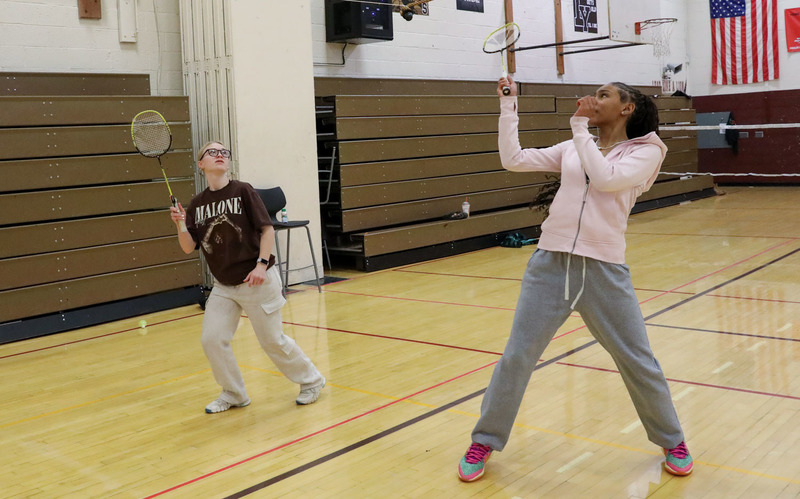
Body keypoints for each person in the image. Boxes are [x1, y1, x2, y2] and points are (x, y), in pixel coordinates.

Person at [457, 79, 693, 481]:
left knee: (637, 359)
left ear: (626, 108)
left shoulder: (647, 152)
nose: (593, 99)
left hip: (604, 269)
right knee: (517, 357)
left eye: (604, 95)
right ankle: (485, 439)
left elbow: (604, 179)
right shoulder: (573, 146)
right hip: (550, 264)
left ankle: (672, 440)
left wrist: (579, 128)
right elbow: (513, 158)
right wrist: (508, 107)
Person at [170, 141, 326, 414]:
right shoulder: (197, 204)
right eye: (212, 152)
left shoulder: (243, 191)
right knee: (212, 339)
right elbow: (188, 246)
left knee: (273, 341)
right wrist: (181, 224)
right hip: (224, 285)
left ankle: (312, 381)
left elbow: (267, 230)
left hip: (258, 279)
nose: (220, 155)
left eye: (224, 152)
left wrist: (261, 265)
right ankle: (234, 393)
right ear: (200, 164)